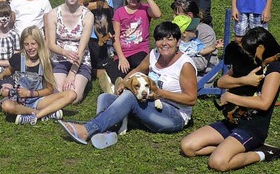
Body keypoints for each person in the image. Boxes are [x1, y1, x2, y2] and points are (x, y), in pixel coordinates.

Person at [58, 21, 198, 149]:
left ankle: (87, 130)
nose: (164, 43)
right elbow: (137, 70)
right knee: (105, 97)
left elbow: (191, 99)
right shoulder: (154, 54)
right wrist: (124, 82)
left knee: (130, 98)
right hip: (149, 105)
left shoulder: (184, 65)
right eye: (160, 39)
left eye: (170, 39)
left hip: (174, 116)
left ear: (178, 42)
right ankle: (107, 131)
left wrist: (161, 93)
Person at [180, 27, 280, 171]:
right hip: (232, 122)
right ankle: (230, 146)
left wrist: (231, 97)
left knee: (218, 162)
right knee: (188, 147)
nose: (246, 54)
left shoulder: (274, 70)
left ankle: (262, 153)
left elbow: (264, 103)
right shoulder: (249, 62)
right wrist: (245, 80)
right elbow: (221, 82)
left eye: (249, 51)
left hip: (252, 128)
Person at [0, 26, 77, 125]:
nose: (30, 48)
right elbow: (10, 70)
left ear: (39, 44)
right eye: (26, 44)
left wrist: (30, 93)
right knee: (6, 105)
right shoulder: (17, 58)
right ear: (22, 45)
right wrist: (1, 75)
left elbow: (49, 90)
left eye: (33, 44)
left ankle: (34, 116)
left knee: (71, 94)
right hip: (19, 100)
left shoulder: (45, 62)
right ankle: (45, 113)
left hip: (38, 100)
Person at [98, 0, 161, 94]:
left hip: (140, 50)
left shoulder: (145, 9)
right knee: (116, 70)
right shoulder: (119, 12)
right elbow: (115, 37)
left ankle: (124, 84)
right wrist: (121, 57)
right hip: (124, 52)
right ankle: (118, 84)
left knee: (140, 64)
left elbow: (158, 14)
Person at [45, 0, 94, 104]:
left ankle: (81, 79)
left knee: (74, 97)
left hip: (81, 61)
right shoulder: (53, 14)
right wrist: (65, 52)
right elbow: (50, 44)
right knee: (59, 93)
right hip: (60, 58)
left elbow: (82, 49)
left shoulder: (88, 15)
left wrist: (72, 74)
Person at [171, 0, 219, 75]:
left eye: (177, 14)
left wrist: (173, 60)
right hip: (178, 72)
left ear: (189, 15)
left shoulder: (205, 31)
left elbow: (201, 64)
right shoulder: (177, 28)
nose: (174, 17)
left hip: (202, 75)